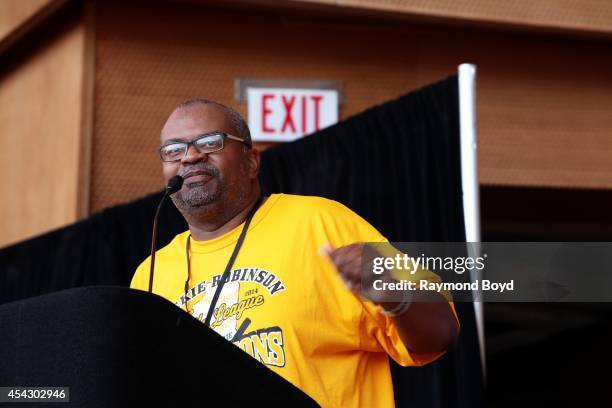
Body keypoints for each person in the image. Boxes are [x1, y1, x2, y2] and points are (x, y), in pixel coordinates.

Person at [130, 99, 460, 407]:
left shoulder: (320, 222)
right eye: (173, 150)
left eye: (210, 143)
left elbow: (441, 334)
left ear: (251, 161)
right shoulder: (151, 274)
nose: (190, 156)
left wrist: (395, 294)